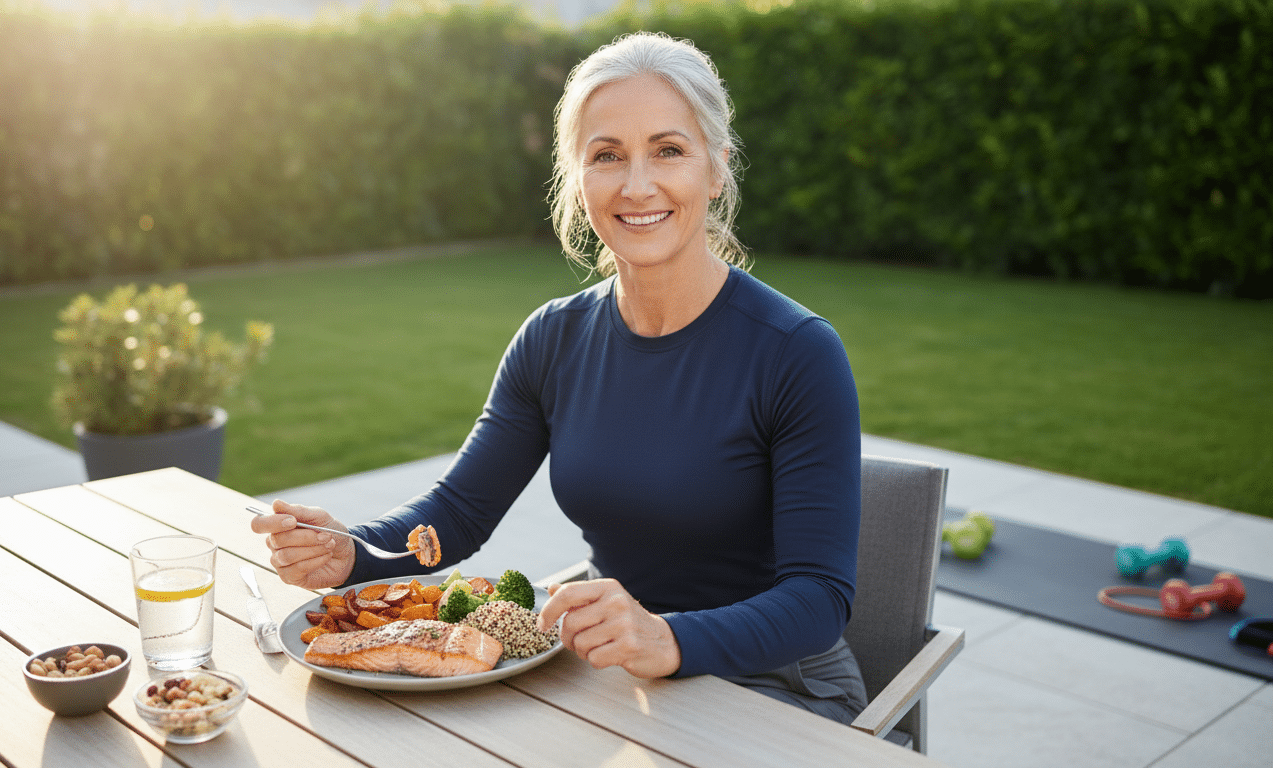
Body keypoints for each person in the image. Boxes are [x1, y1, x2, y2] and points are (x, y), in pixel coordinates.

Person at [251, 31, 868, 723]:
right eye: (608, 156)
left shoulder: (796, 353)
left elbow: (819, 599)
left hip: (775, 686)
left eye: (669, 150)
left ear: (716, 168)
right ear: (578, 177)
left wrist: (666, 637)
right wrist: (354, 553)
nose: (638, 185)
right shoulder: (553, 338)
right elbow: (456, 514)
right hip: (616, 670)